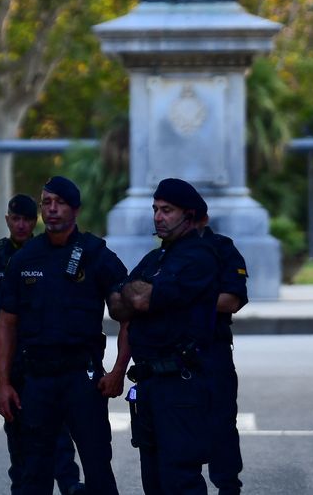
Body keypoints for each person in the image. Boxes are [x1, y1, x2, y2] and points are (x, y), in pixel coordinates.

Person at [0, 176, 130, 495]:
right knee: (34, 471)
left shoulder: (96, 254)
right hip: (37, 379)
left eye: (60, 203)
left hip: (82, 377)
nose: (52, 209)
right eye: (47, 203)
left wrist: (118, 371)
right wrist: (3, 383)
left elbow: (128, 316)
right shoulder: (25, 258)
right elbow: (6, 324)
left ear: (76, 210)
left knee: (97, 466)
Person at [0, 193, 83, 495]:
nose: (21, 225)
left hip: (43, 351)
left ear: (35, 221)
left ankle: (69, 484)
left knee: (57, 427)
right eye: (16, 219)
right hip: (11, 356)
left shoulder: (46, 251)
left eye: (27, 220)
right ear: (7, 220)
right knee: (18, 432)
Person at [109, 177, 223, 494]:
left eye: (167, 210)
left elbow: (139, 299)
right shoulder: (156, 258)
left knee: (180, 481)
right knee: (154, 483)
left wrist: (134, 293)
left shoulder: (199, 257)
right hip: (149, 384)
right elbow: (117, 306)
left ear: (189, 215)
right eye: (156, 209)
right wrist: (133, 293)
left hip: (181, 386)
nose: (158, 216)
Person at [199, 214, 249, 495]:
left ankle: (228, 487)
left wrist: (180, 297)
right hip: (170, 359)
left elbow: (232, 300)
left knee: (220, 425)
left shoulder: (222, 248)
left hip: (211, 351)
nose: (161, 217)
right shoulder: (162, 255)